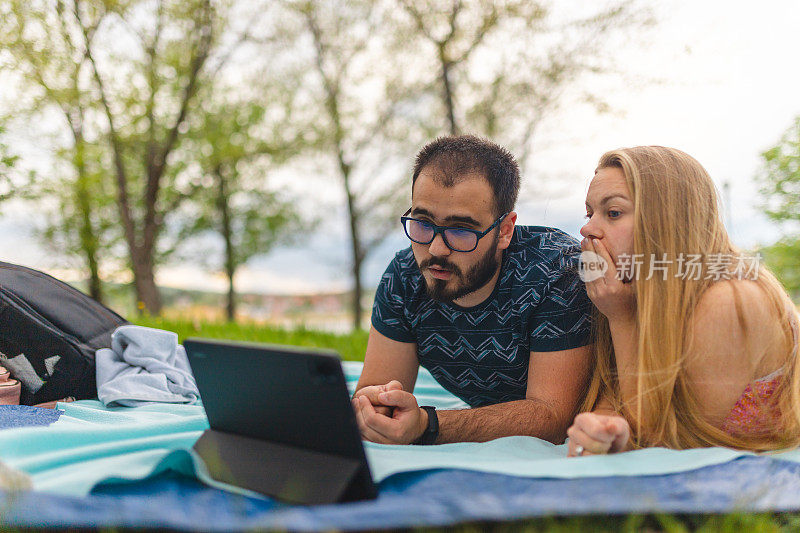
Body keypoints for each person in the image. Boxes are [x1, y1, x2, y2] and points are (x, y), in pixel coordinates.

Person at [352, 135, 593, 445]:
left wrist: (428, 424)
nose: (436, 249)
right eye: (423, 222)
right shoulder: (405, 276)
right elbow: (376, 393)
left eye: (461, 230)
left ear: (505, 230)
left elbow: (553, 418)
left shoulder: (558, 272)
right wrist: (373, 409)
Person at [568, 146, 800, 455]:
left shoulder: (729, 299)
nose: (587, 229)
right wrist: (603, 427)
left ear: (666, 221)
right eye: (589, 213)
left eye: (613, 213)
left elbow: (668, 443)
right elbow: (617, 396)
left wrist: (620, 319)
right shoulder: (635, 293)